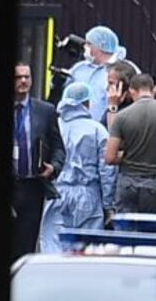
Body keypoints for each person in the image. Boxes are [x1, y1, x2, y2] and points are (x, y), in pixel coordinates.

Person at [0, 63, 66, 259]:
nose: (23, 81)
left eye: (26, 77)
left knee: (26, 245)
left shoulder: (45, 111)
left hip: (32, 187)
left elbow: (58, 148)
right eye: (18, 77)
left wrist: (53, 168)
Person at [38, 83, 117, 253]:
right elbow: (107, 171)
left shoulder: (54, 126)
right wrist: (108, 204)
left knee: (53, 247)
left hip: (56, 193)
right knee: (87, 249)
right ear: (87, 103)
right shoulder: (97, 131)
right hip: (88, 196)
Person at [106, 73, 156, 213]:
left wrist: (125, 157)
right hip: (155, 182)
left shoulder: (122, 116)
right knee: (152, 225)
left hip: (127, 182)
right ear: (154, 89)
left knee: (126, 225)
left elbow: (110, 157)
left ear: (131, 91)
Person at [67, 25, 134, 126]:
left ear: (101, 45)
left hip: (111, 127)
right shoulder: (79, 68)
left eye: (89, 43)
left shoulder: (125, 69)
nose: (85, 47)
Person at [105, 60, 137, 128]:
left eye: (111, 83)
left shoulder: (133, 112)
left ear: (123, 86)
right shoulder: (116, 105)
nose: (107, 88)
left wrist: (113, 107)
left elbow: (113, 132)